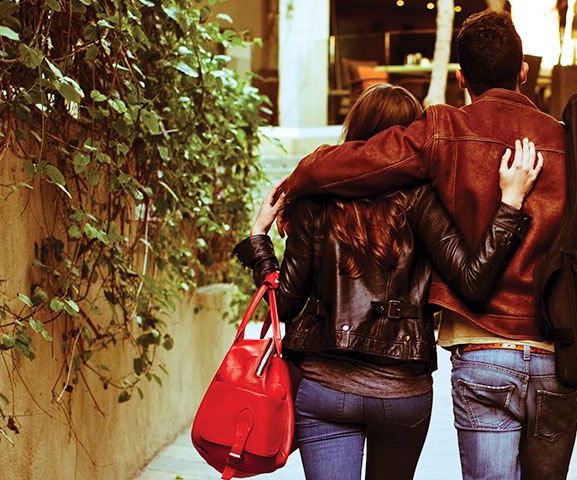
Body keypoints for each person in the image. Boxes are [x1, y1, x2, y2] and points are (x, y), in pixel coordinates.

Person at [276, 11, 577, 480]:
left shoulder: (442, 130)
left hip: (481, 349)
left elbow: (361, 162)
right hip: (557, 353)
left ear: (461, 77)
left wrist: (299, 179)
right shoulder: (571, 143)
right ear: (523, 71)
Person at [232, 83, 546, 480]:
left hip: (326, 388)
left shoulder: (317, 199)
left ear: (357, 130)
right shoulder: (422, 200)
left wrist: (259, 238)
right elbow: (473, 281)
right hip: (401, 395)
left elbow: (286, 302)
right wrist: (510, 204)